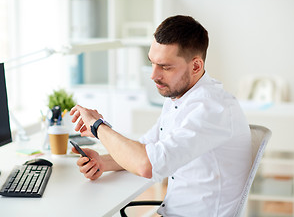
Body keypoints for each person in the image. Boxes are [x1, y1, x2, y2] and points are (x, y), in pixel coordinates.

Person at [70, 15, 252, 217]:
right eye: (152, 63)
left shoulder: (212, 108)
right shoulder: (179, 96)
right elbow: (148, 146)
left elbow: (147, 164)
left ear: (196, 66)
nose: (153, 75)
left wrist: (98, 127)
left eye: (165, 67)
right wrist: (104, 162)